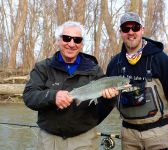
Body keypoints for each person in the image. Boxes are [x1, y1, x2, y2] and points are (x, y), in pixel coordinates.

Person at [106, 12, 168, 150]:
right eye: (126, 29)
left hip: (160, 134)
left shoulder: (160, 59)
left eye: (135, 27)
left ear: (142, 30)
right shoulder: (115, 63)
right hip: (128, 136)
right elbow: (105, 103)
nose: (131, 32)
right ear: (121, 32)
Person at [23, 21, 119, 150]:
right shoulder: (43, 67)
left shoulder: (94, 70)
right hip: (48, 140)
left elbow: (103, 108)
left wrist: (110, 98)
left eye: (77, 40)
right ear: (58, 41)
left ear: (82, 44)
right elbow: (29, 96)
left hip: (84, 139)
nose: (71, 44)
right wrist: (52, 96)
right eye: (67, 38)